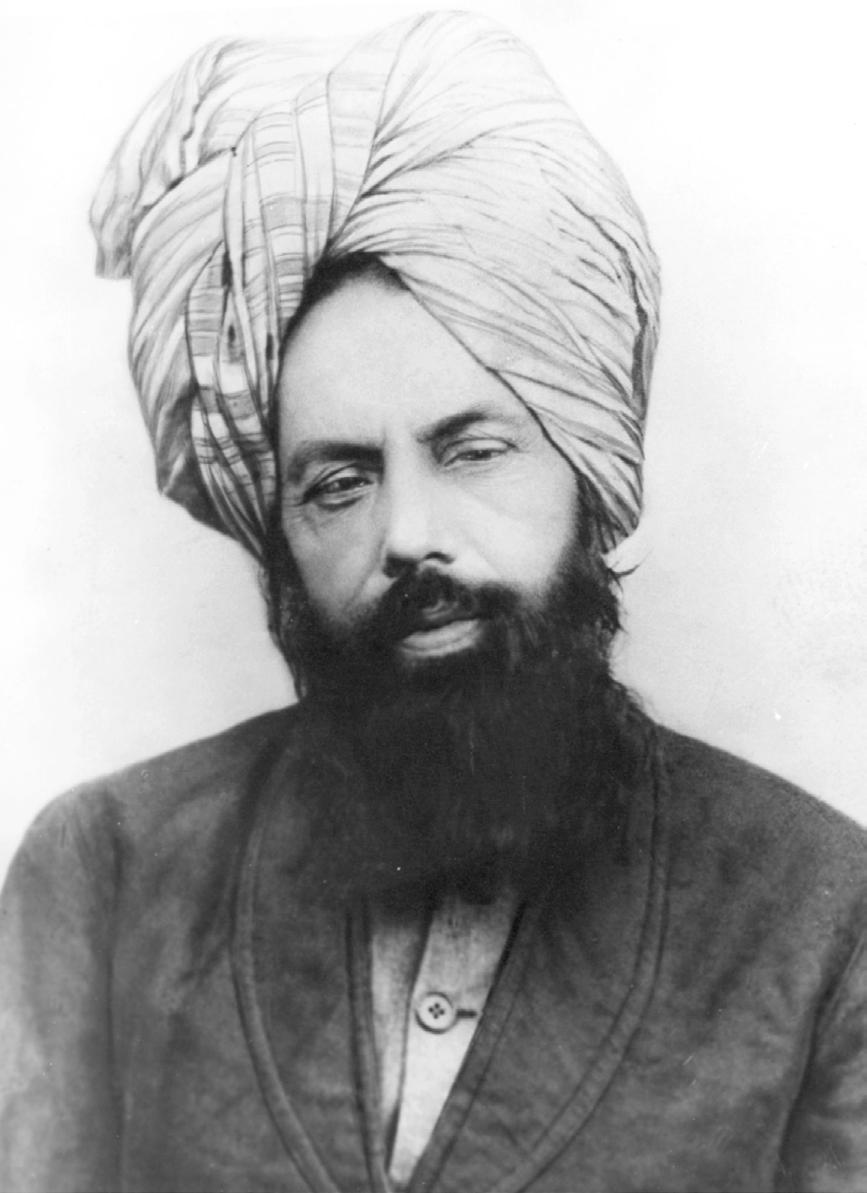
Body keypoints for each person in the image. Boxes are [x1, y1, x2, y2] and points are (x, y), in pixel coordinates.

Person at [1, 12, 865, 1192]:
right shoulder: (106, 870)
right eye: (340, 482)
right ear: (280, 534)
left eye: (473, 451)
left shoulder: (824, 913)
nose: (407, 533)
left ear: (588, 472)